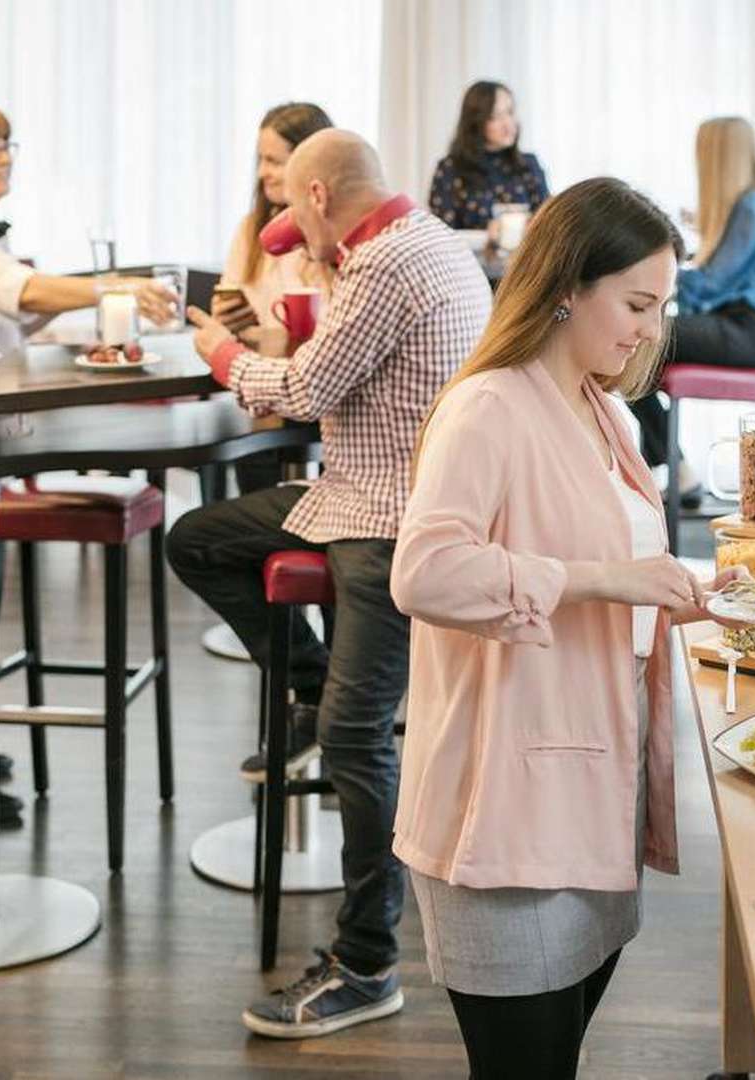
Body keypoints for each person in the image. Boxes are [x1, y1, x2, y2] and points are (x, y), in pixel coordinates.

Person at [389, 177, 742, 1077]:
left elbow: (614, 564)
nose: (647, 331)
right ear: (564, 287)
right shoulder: (488, 409)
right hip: (507, 806)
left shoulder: (602, 411)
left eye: (659, 308)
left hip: (591, 789)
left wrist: (685, 589)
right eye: (634, 303)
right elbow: (424, 573)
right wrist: (602, 581)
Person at [171, 128, 491, 1037]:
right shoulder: (422, 238)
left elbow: (307, 392)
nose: (281, 220)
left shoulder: (384, 262)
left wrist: (220, 356)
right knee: (198, 541)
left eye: (287, 199)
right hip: (352, 489)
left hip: (390, 516)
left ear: (314, 196)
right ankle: (308, 689)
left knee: (359, 737)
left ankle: (366, 962)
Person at [0, 102, 175, 827]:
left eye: (5, 144)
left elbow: (20, 313)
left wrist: (86, 306)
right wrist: (116, 288)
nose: (2, 157)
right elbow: (20, 293)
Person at [628, 116, 755, 491]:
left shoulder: (753, 208)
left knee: (636, 340)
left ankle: (674, 468)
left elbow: (710, 283)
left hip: (747, 333)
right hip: (741, 329)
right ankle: (675, 468)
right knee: (637, 357)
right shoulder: (751, 207)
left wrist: (648, 275)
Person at [213, 101, 333, 497]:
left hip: (323, 385)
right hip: (267, 388)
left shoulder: (331, 233)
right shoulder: (251, 230)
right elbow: (237, 308)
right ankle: (260, 528)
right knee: (250, 429)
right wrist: (229, 319)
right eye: (260, 160)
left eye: (276, 161)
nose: (264, 172)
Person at [428, 80, 549, 235]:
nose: (508, 124)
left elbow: (548, 223)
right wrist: (487, 235)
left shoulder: (528, 164)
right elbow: (443, 235)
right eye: (495, 116)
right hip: (469, 257)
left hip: (525, 257)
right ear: (476, 121)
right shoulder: (449, 169)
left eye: (510, 112)